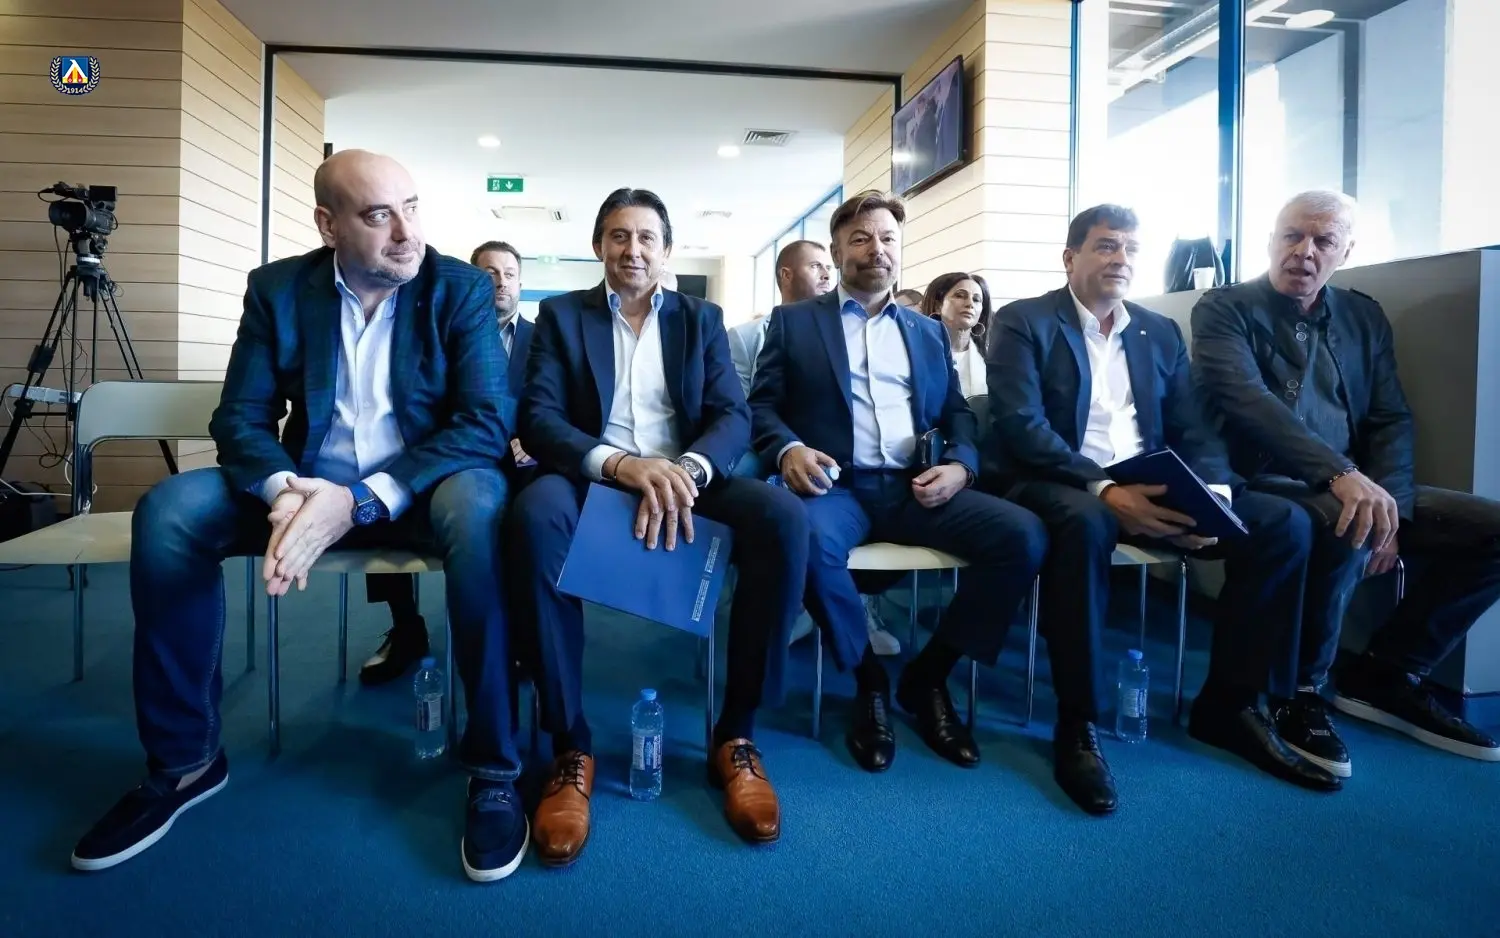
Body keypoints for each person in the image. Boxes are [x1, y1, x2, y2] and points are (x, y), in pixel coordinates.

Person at [70, 150, 529, 882]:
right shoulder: (279, 289)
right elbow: (240, 417)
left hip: (420, 489)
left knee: (480, 506)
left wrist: (360, 499)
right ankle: (185, 762)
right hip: (306, 487)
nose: (407, 232)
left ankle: (495, 769)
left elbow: (482, 423)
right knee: (169, 511)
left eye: (412, 208)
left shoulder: (459, 287)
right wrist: (285, 491)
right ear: (328, 224)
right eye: (379, 215)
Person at [988, 204, 1337, 815]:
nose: (1120, 259)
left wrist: (1213, 497)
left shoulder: (1159, 331)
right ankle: (1078, 723)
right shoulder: (1024, 321)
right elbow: (1021, 425)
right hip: (1058, 479)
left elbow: (1193, 427)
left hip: (1150, 478)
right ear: (1070, 258)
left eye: (1130, 248)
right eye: (1105, 246)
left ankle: (1229, 704)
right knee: (1088, 523)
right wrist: (1103, 488)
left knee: (1285, 523)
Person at [508, 188, 808, 861]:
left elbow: (732, 415)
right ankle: (570, 745)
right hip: (594, 476)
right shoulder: (561, 316)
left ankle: (736, 735)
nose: (632, 250)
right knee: (533, 515)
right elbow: (540, 418)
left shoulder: (702, 318)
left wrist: (688, 471)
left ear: (667, 250)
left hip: (687, 478)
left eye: (646, 237)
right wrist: (620, 465)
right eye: (618, 236)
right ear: (598, 245)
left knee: (783, 519)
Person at [1191, 189, 1500, 773]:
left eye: (1323, 241)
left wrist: (1395, 508)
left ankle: (1388, 672)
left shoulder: (1363, 316)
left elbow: (1389, 418)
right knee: (1346, 516)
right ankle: (1301, 690)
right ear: (1271, 240)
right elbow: (1248, 402)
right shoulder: (1225, 308)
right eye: (1292, 236)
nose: (1304, 252)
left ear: (1345, 252)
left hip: (1359, 485)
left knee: (1491, 529)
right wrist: (1342, 475)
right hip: (1267, 482)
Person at [749, 189, 1047, 773]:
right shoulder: (793, 323)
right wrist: (788, 448)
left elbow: (957, 412)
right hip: (836, 488)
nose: (876, 249)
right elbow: (761, 407)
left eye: (887, 238)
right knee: (805, 539)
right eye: (860, 239)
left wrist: (962, 465)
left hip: (917, 487)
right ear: (837, 251)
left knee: (1024, 537)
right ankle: (868, 681)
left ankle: (929, 675)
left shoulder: (926, 331)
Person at [359, 239, 536, 686]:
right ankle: (405, 625)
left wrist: (531, 438)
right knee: (383, 480)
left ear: (520, 283)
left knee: (533, 507)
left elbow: (549, 402)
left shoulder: (542, 340)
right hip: (454, 455)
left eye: (509, 274)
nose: (500, 283)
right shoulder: (436, 331)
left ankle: (514, 632)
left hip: (519, 460)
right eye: (489, 273)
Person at [727, 239, 833, 397]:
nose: (826, 275)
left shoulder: (840, 331)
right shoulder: (744, 337)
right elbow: (736, 404)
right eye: (815, 266)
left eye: (828, 268)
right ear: (786, 275)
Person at [921, 272, 992, 398]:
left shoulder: (991, 356)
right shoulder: (917, 352)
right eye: (960, 296)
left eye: (976, 300)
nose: (970, 304)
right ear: (938, 306)